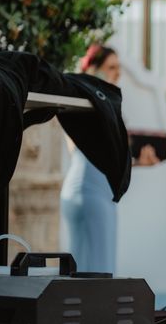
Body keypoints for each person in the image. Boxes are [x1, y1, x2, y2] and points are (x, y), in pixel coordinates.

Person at [61, 45, 158, 275]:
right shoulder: (88, 101)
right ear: (94, 69)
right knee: (97, 271)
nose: (117, 73)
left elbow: (106, 157)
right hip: (90, 194)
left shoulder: (96, 102)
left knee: (88, 268)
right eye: (111, 67)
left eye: (118, 67)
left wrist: (138, 162)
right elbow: (87, 149)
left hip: (93, 192)